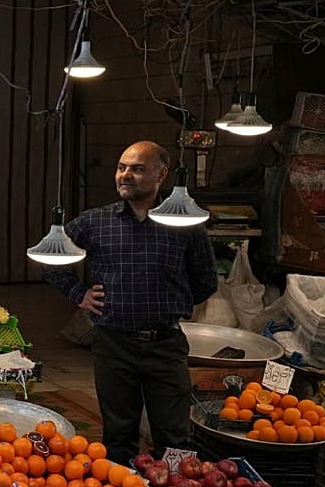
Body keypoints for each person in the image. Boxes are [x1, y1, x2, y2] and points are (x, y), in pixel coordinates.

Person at [44, 140, 217, 467]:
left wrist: (168, 300)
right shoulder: (95, 222)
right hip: (113, 345)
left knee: (174, 435)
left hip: (165, 346)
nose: (126, 175)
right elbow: (51, 258)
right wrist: (77, 293)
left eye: (137, 169)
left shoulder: (185, 226)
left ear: (161, 175)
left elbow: (206, 280)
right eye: (122, 167)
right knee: (118, 434)